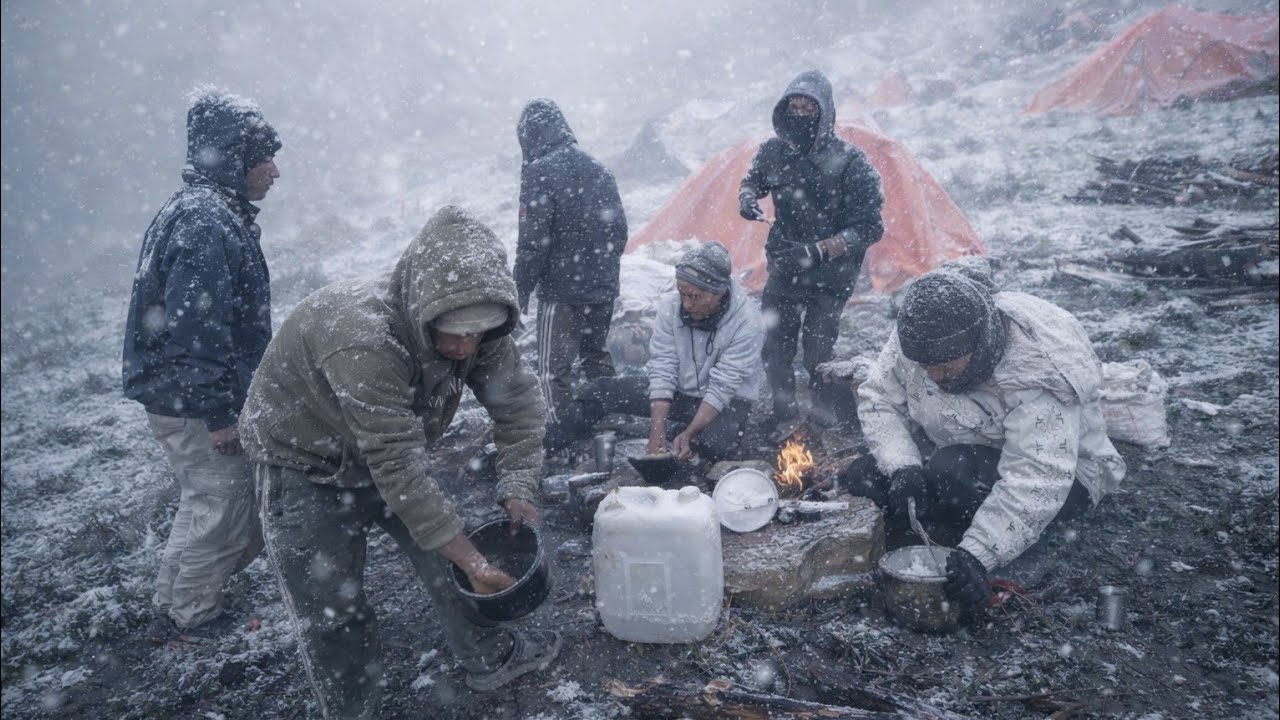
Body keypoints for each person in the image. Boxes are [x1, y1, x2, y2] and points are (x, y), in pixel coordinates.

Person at [240, 206, 559, 718]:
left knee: (448, 555)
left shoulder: (482, 326)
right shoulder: (363, 338)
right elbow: (398, 464)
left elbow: (518, 405)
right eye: (454, 332)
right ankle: (356, 709)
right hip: (304, 459)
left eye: (478, 333)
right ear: (423, 309)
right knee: (332, 605)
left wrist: (519, 482)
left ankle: (488, 655)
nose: (465, 347)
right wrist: (474, 562)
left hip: (388, 447)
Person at [844, 259, 1126, 618]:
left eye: (945, 367)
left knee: (952, 471)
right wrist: (903, 467)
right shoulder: (920, 335)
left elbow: (1038, 476)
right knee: (865, 475)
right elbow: (880, 398)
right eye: (926, 368)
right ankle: (944, 519)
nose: (933, 377)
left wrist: (978, 555)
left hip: (1067, 475)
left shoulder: (1034, 369)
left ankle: (980, 536)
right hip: (961, 440)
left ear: (978, 347)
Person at [122, 87, 282, 643]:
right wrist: (218, 413)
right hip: (192, 398)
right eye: (265, 158)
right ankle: (194, 617)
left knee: (203, 498)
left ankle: (172, 606)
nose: (275, 171)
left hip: (177, 392)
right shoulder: (205, 221)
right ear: (236, 159)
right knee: (226, 503)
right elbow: (198, 328)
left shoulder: (199, 210)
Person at [738, 69, 884, 430]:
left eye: (809, 108)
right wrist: (747, 197)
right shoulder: (774, 152)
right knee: (776, 348)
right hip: (786, 263)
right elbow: (753, 180)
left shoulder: (851, 162)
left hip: (831, 276)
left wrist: (820, 250)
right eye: (795, 107)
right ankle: (784, 415)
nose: (801, 115)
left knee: (818, 352)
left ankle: (823, 417)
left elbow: (869, 227)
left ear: (825, 111)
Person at [544, 243, 764, 465]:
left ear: (719, 293)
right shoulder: (671, 307)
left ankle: (685, 434)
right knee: (601, 390)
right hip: (682, 393)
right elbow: (663, 367)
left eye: (695, 296)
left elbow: (723, 386)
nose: (687, 304)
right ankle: (543, 449)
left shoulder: (748, 322)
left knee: (714, 447)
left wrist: (690, 433)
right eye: (682, 293)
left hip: (726, 403)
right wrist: (656, 430)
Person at [514, 98, 629, 423]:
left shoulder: (539, 172)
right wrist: (602, 272)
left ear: (529, 135)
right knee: (596, 356)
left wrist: (520, 289)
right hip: (601, 287)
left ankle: (561, 433)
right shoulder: (599, 169)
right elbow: (619, 231)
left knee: (552, 370)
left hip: (561, 291)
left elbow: (533, 243)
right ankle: (611, 421)